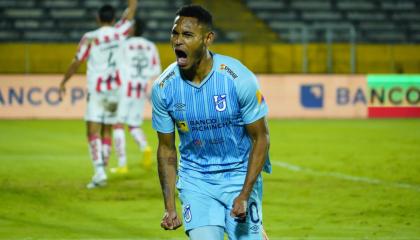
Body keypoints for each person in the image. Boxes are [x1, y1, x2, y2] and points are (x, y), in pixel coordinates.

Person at [151, 4, 271, 240]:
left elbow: (261, 138)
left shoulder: (238, 79)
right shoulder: (163, 88)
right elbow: (166, 149)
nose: (177, 41)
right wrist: (170, 206)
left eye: (187, 35)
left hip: (239, 175)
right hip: (196, 180)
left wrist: (245, 194)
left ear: (207, 39)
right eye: (174, 33)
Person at [59, 0, 137, 189]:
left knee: (92, 130)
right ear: (113, 19)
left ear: (97, 18)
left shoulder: (91, 37)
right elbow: (130, 14)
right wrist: (132, 4)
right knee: (107, 129)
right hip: (115, 90)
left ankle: (100, 172)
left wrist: (64, 81)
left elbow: (77, 61)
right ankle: (103, 169)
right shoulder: (120, 33)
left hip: (97, 90)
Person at [111, 20, 162, 174]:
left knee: (118, 124)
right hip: (140, 88)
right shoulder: (151, 46)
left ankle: (122, 164)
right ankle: (145, 147)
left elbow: (116, 65)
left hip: (125, 88)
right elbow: (156, 70)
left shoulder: (124, 45)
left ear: (133, 29)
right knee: (133, 125)